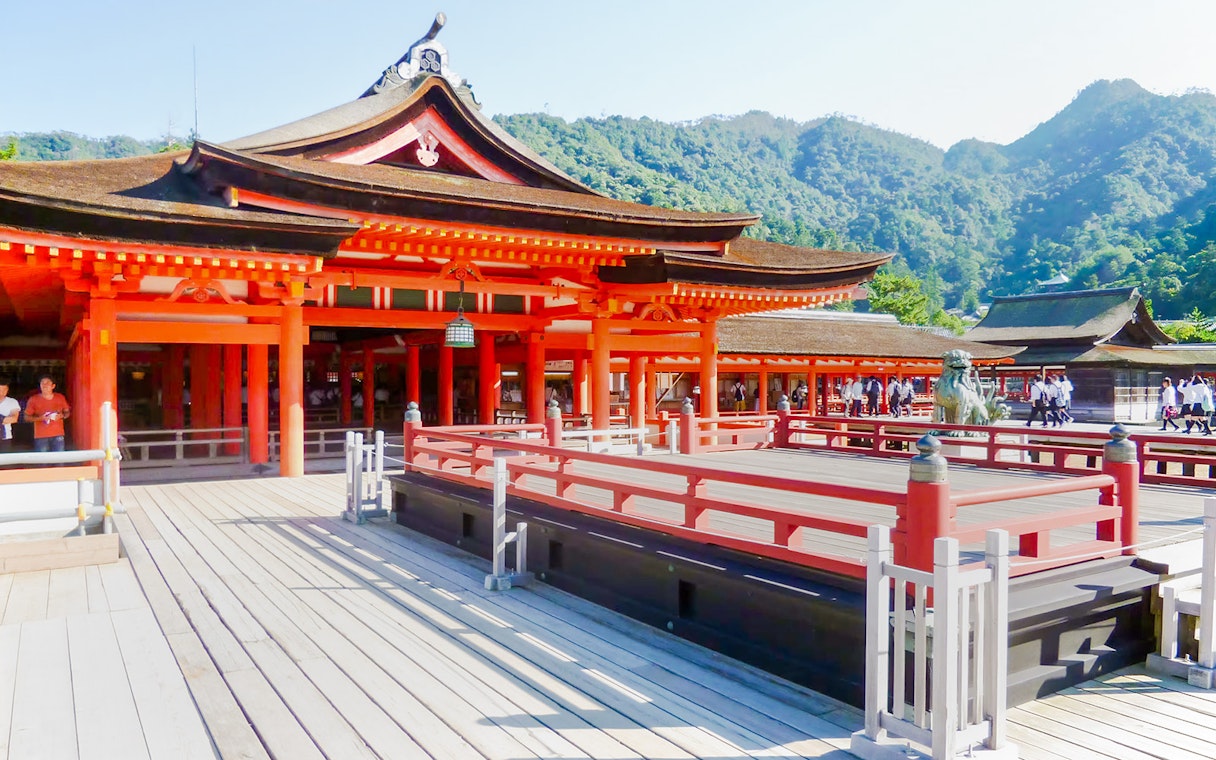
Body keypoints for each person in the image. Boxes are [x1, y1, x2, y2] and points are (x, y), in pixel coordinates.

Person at [25, 374, 71, 453]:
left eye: (47, 383)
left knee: (59, 460)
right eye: (42, 383)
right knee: (43, 462)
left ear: (53, 386)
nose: (44, 385)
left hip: (58, 434)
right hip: (41, 436)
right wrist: (41, 418)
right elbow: (26, 418)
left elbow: (67, 412)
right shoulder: (33, 399)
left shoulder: (60, 397)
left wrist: (61, 416)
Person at [0, 378, 21, 453]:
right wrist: (4, 419)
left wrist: (1, 419)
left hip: (5, 438)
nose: (1, 393)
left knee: (5, 462)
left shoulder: (12, 402)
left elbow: (14, 419)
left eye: (4, 390)